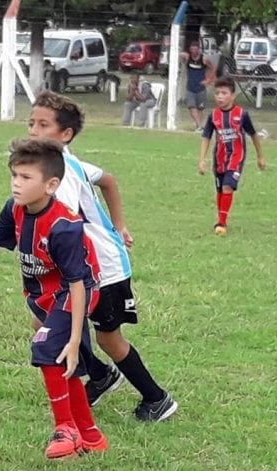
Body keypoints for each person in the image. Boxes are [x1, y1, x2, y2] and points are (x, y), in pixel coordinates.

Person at [0, 138, 108, 459]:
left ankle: (65, 428)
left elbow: (78, 285)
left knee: (46, 348)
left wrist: (76, 338)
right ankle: (92, 437)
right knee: (62, 361)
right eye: (14, 176)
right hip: (44, 295)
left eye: (26, 178)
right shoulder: (15, 210)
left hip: (77, 292)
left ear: (51, 185)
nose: (16, 184)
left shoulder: (64, 226)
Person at [28, 91, 179, 422]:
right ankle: (100, 375)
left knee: (107, 337)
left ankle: (157, 399)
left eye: (43, 124)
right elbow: (107, 180)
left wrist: (117, 228)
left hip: (103, 269)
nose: (33, 131)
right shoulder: (62, 163)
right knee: (47, 319)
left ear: (65, 134)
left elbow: (63, 221)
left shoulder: (63, 171)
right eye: (31, 123)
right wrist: (119, 225)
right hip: (82, 267)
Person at [198, 77, 266, 236]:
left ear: (233, 95)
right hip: (219, 158)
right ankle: (221, 217)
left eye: (224, 93)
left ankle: (221, 222)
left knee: (228, 186)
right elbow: (206, 137)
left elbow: (254, 135)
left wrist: (260, 156)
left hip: (236, 157)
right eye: (217, 93)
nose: (220, 96)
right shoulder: (213, 116)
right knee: (221, 189)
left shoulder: (241, 114)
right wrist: (202, 159)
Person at [180, 41, 216, 131]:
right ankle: (199, 126)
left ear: (198, 50)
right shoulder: (188, 58)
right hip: (190, 87)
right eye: (192, 49)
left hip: (200, 88)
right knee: (191, 106)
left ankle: (198, 126)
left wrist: (208, 80)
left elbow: (213, 68)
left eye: (196, 49)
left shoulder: (204, 59)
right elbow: (180, 54)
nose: (194, 52)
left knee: (200, 108)